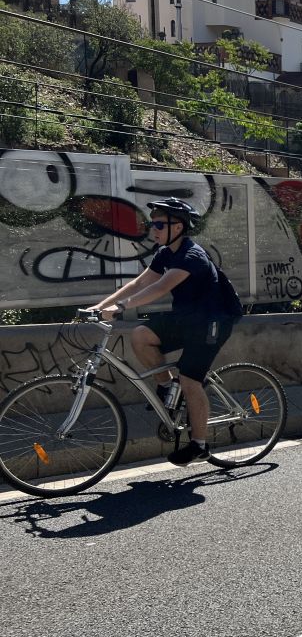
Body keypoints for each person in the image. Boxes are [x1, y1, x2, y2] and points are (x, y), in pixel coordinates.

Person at [91, 197, 233, 466]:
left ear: (177, 227)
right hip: (186, 318)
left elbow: (159, 288)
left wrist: (119, 307)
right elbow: (141, 282)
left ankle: (199, 445)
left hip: (212, 322)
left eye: (158, 224)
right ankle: (168, 389)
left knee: (190, 381)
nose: (152, 229)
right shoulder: (166, 253)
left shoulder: (192, 256)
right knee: (141, 336)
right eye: (151, 223)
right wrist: (100, 305)